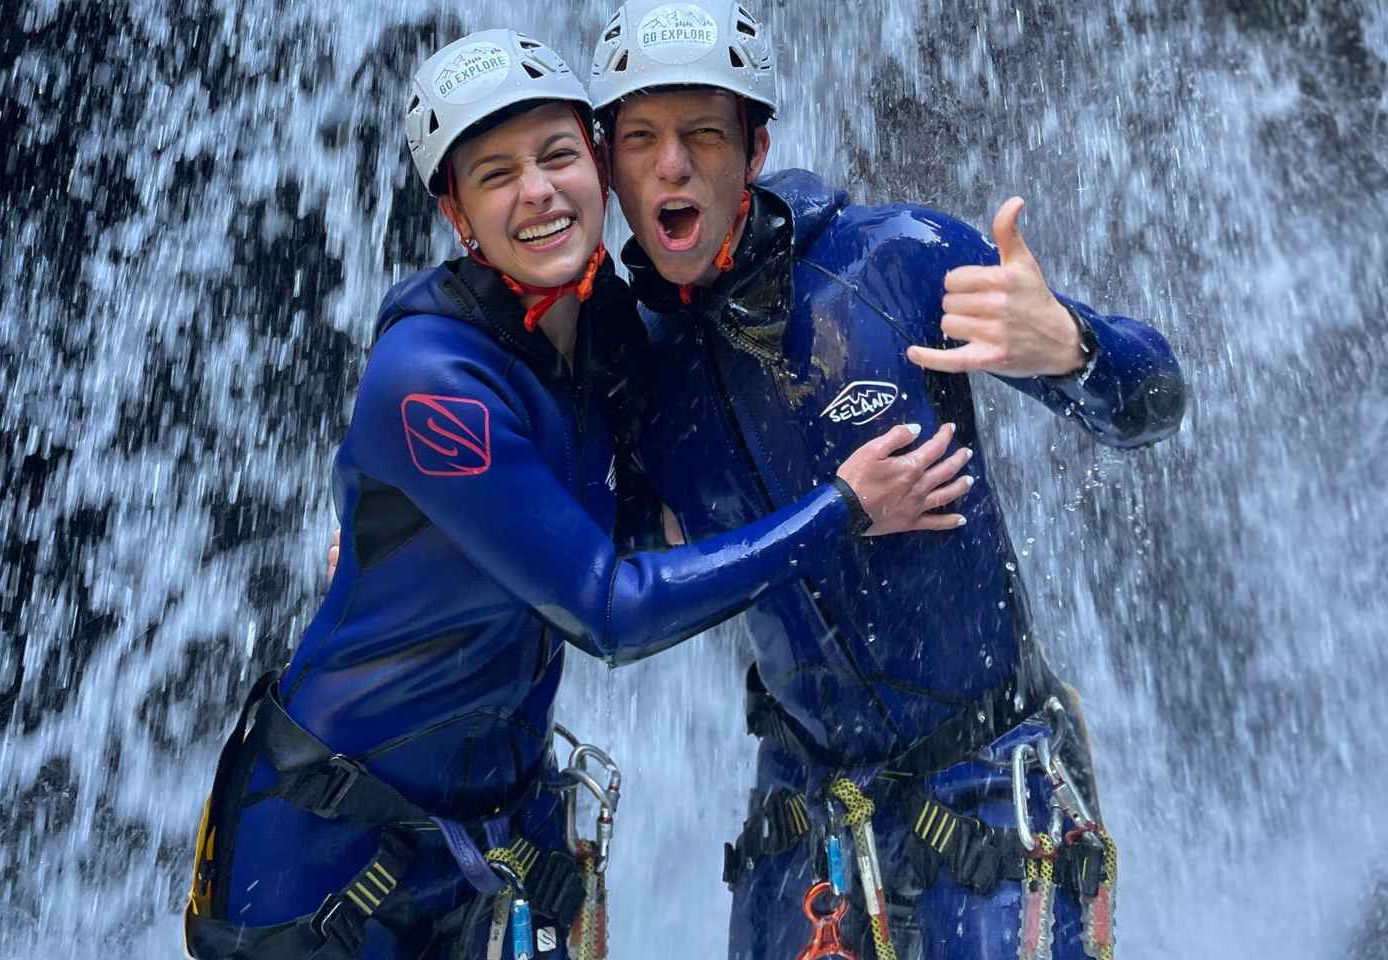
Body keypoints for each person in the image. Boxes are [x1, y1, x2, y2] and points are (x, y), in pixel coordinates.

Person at [182, 28, 973, 960]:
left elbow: (654, 483)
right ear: (457, 217)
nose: (539, 192)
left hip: (510, 830)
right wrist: (842, 506)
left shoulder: (608, 331)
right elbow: (608, 611)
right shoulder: (429, 378)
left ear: (599, 166)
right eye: (496, 174)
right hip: (326, 849)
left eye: (559, 156)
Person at [586, 2, 1186, 958]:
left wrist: (1073, 348)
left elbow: (1156, 402)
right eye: (641, 139)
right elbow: (590, 578)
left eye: (704, 131)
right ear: (607, 165)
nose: (673, 164)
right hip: (803, 806)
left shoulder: (897, 259)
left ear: (755, 145)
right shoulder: (630, 366)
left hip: (989, 779)